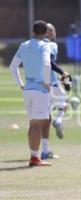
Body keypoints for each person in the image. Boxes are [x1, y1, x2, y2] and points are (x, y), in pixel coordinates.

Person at [9, 20, 52, 167]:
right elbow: (47, 63)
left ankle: (34, 156)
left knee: (33, 124)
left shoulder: (24, 45)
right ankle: (34, 158)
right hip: (40, 90)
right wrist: (47, 82)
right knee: (37, 125)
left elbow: (13, 66)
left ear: (33, 32)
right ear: (46, 33)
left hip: (27, 89)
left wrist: (20, 83)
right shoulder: (45, 46)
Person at [40, 23, 70, 160]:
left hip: (39, 85)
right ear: (47, 33)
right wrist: (62, 73)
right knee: (64, 104)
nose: (54, 32)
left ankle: (44, 151)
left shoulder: (35, 45)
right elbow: (50, 62)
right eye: (52, 30)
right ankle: (58, 120)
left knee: (45, 119)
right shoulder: (51, 45)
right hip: (52, 83)